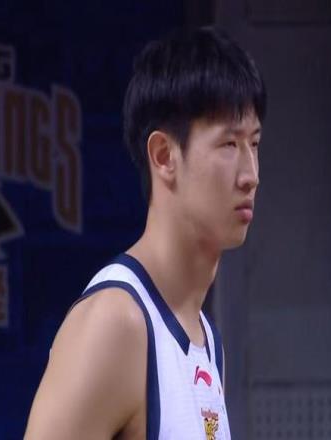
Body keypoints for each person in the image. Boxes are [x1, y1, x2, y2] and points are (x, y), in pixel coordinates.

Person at [24, 25, 266, 440]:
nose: (251, 175)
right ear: (164, 155)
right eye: (229, 144)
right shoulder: (116, 323)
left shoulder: (206, 339)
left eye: (255, 144)